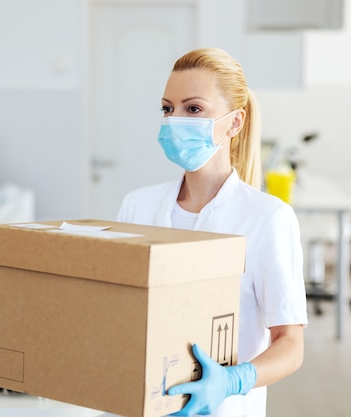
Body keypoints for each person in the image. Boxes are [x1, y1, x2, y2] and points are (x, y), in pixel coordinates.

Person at [116, 48, 308, 417]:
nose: (174, 121)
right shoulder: (137, 208)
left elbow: (290, 344)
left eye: (193, 109)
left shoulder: (268, 218)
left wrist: (233, 381)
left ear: (234, 122)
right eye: (167, 108)